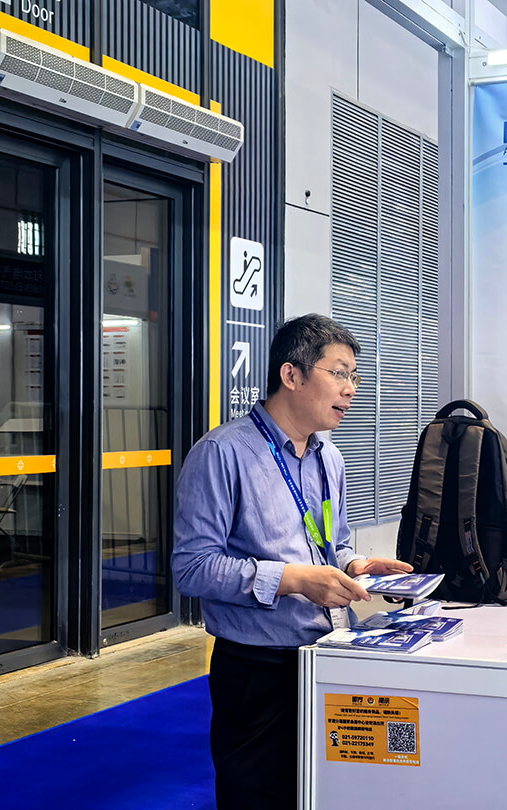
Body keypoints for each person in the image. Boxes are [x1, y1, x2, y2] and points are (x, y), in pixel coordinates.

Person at [172, 313, 412, 809]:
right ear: (291, 375)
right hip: (258, 671)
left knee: (327, 794)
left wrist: (353, 566)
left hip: (329, 655)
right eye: (339, 373)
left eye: (354, 376)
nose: (351, 389)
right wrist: (293, 580)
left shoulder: (329, 456)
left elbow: (332, 542)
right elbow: (192, 567)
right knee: (259, 796)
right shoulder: (222, 453)